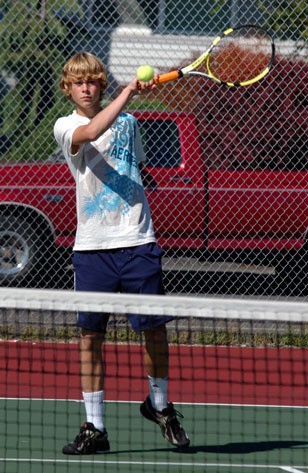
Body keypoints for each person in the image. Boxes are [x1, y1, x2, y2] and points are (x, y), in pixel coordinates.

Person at [54, 52, 190, 454]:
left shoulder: (130, 124)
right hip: (93, 249)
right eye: (78, 82)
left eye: (93, 81)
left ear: (100, 84)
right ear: (68, 88)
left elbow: (134, 166)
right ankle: (95, 427)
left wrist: (128, 99)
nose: (85, 87)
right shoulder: (66, 126)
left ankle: (160, 406)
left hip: (137, 241)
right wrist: (129, 91)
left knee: (154, 331)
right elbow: (95, 131)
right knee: (90, 337)